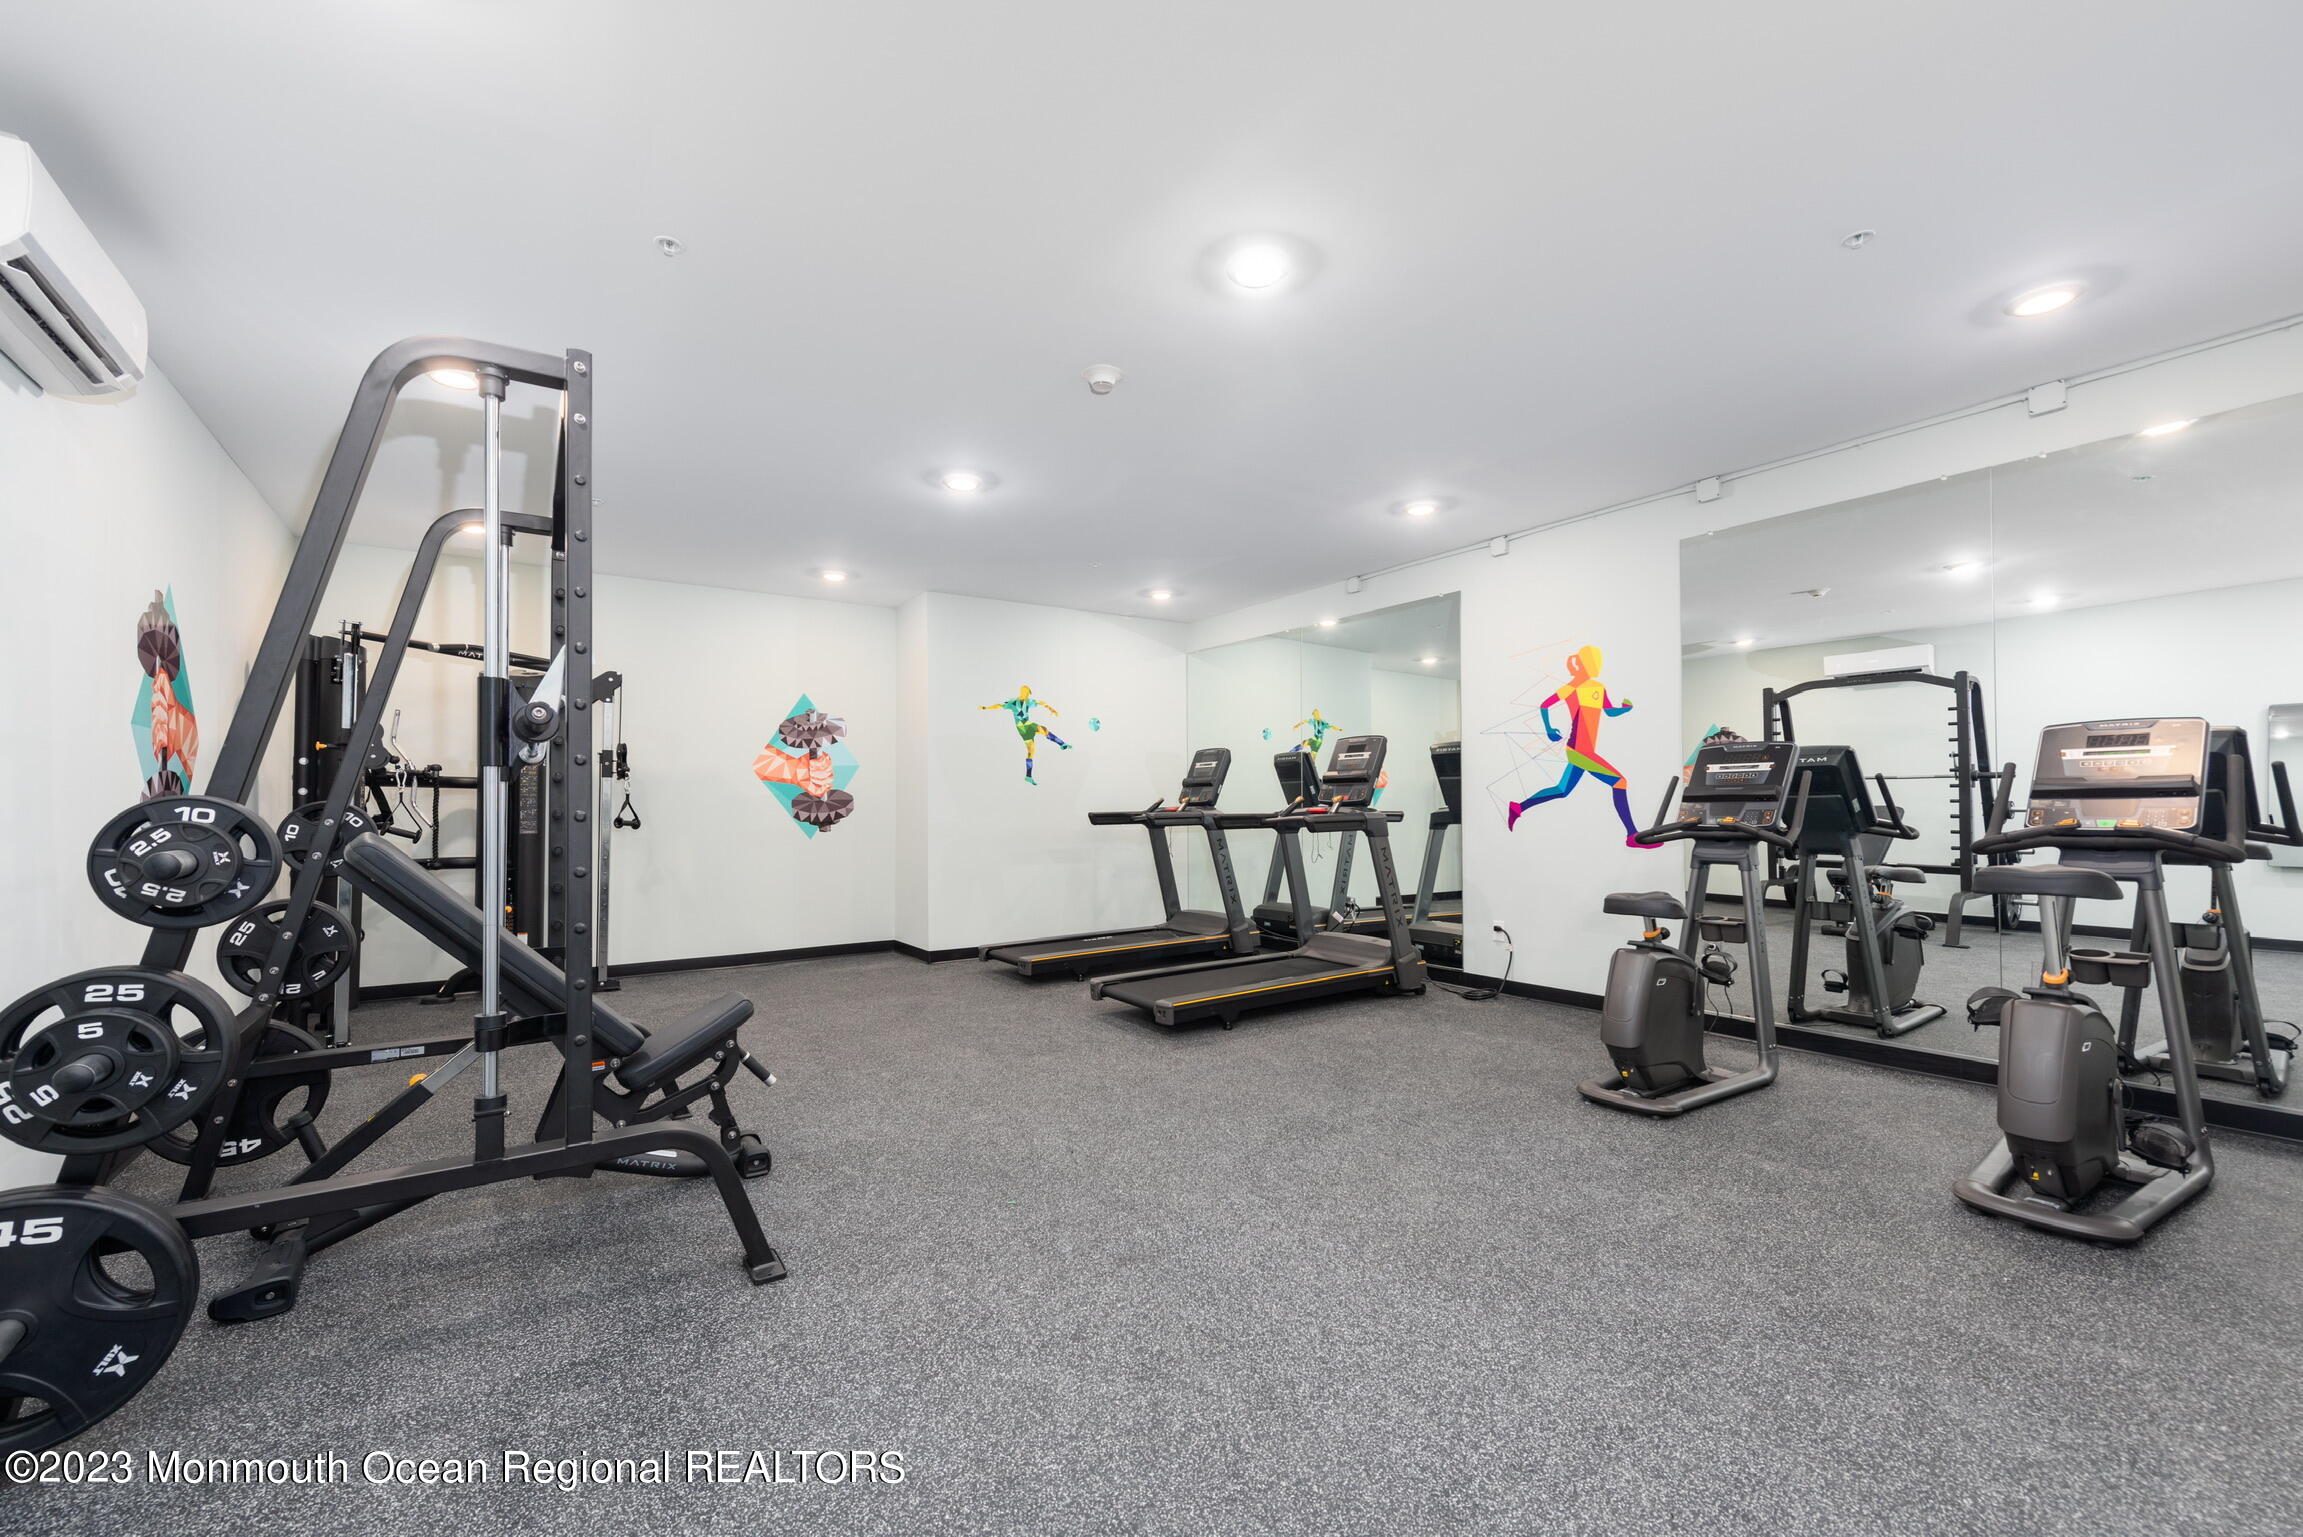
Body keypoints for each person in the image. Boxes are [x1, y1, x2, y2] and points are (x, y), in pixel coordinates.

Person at [1505, 644, 1645, 846]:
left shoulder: (1598, 687)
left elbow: (1609, 711)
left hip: (1585, 750)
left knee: (1562, 790)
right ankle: (1632, 835)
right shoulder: (1571, 688)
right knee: (1619, 782)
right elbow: (1544, 705)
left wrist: (1624, 709)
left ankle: (1518, 807)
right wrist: (1549, 729)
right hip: (1579, 750)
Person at [980, 684, 1072, 783]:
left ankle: (1028, 776)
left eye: (1026, 691)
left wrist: (1051, 709)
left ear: (1028, 693)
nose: (1024, 693)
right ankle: (1062, 744)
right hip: (1022, 726)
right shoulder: (1013, 702)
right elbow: (1000, 705)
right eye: (1022, 691)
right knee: (1042, 730)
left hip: (1026, 728)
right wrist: (986, 708)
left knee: (1031, 751)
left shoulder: (1028, 702)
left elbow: (1041, 703)